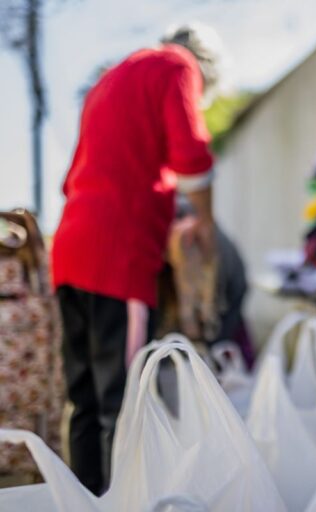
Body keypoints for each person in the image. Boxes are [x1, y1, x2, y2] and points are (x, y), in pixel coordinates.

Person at [51, 23, 223, 494]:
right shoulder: (175, 65)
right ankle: (123, 500)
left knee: (84, 401)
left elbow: (70, 179)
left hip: (70, 249)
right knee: (125, 400)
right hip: (118, 257)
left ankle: (86, 500)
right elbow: (191, 158)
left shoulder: (109, 79)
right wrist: (205, 223)